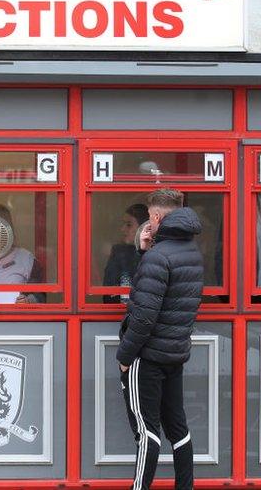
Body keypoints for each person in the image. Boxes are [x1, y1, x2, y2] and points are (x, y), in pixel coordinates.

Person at [116, 189, 204, 490]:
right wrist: (144, 252)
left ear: (154, 217)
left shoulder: (159, 256)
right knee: (178, 430)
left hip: (148, 357)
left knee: (146, 431)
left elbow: (143, 316)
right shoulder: (190, 250)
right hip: (175, 354)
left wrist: (125, 357)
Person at [102, 203, 148, 304]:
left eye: (129, 225)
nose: (123, 229)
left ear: (143, 228)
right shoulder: (118, 252)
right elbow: (109, 291)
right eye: (123, 224)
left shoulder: (156, 254)